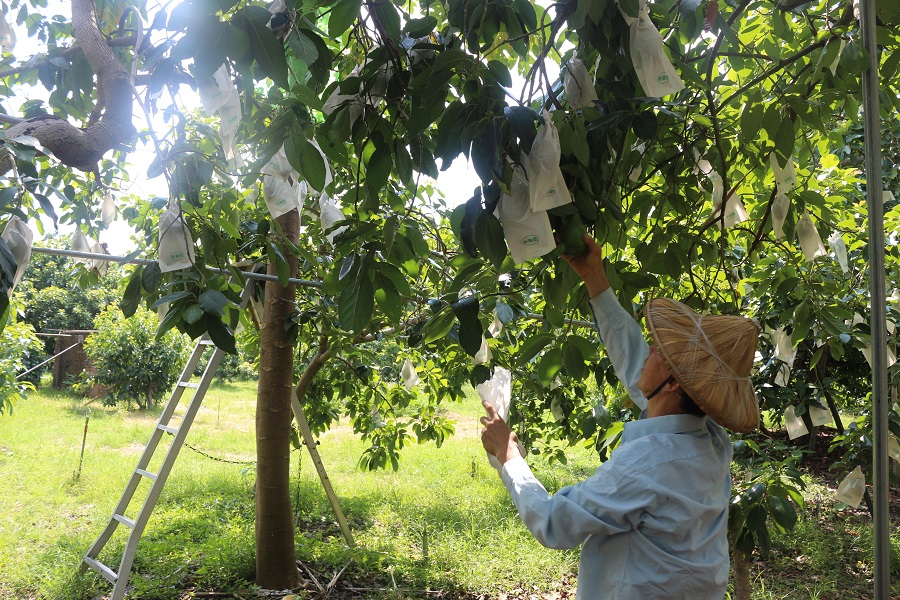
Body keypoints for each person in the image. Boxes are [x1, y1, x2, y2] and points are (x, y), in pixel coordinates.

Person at [480, 234, 760, 599]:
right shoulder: (709, 438)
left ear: (674, 383)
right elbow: (633, 359)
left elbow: (554, 523)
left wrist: (509, 458)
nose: (649, 351)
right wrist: (594, 276)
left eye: (658, 350)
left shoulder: (648, 464)